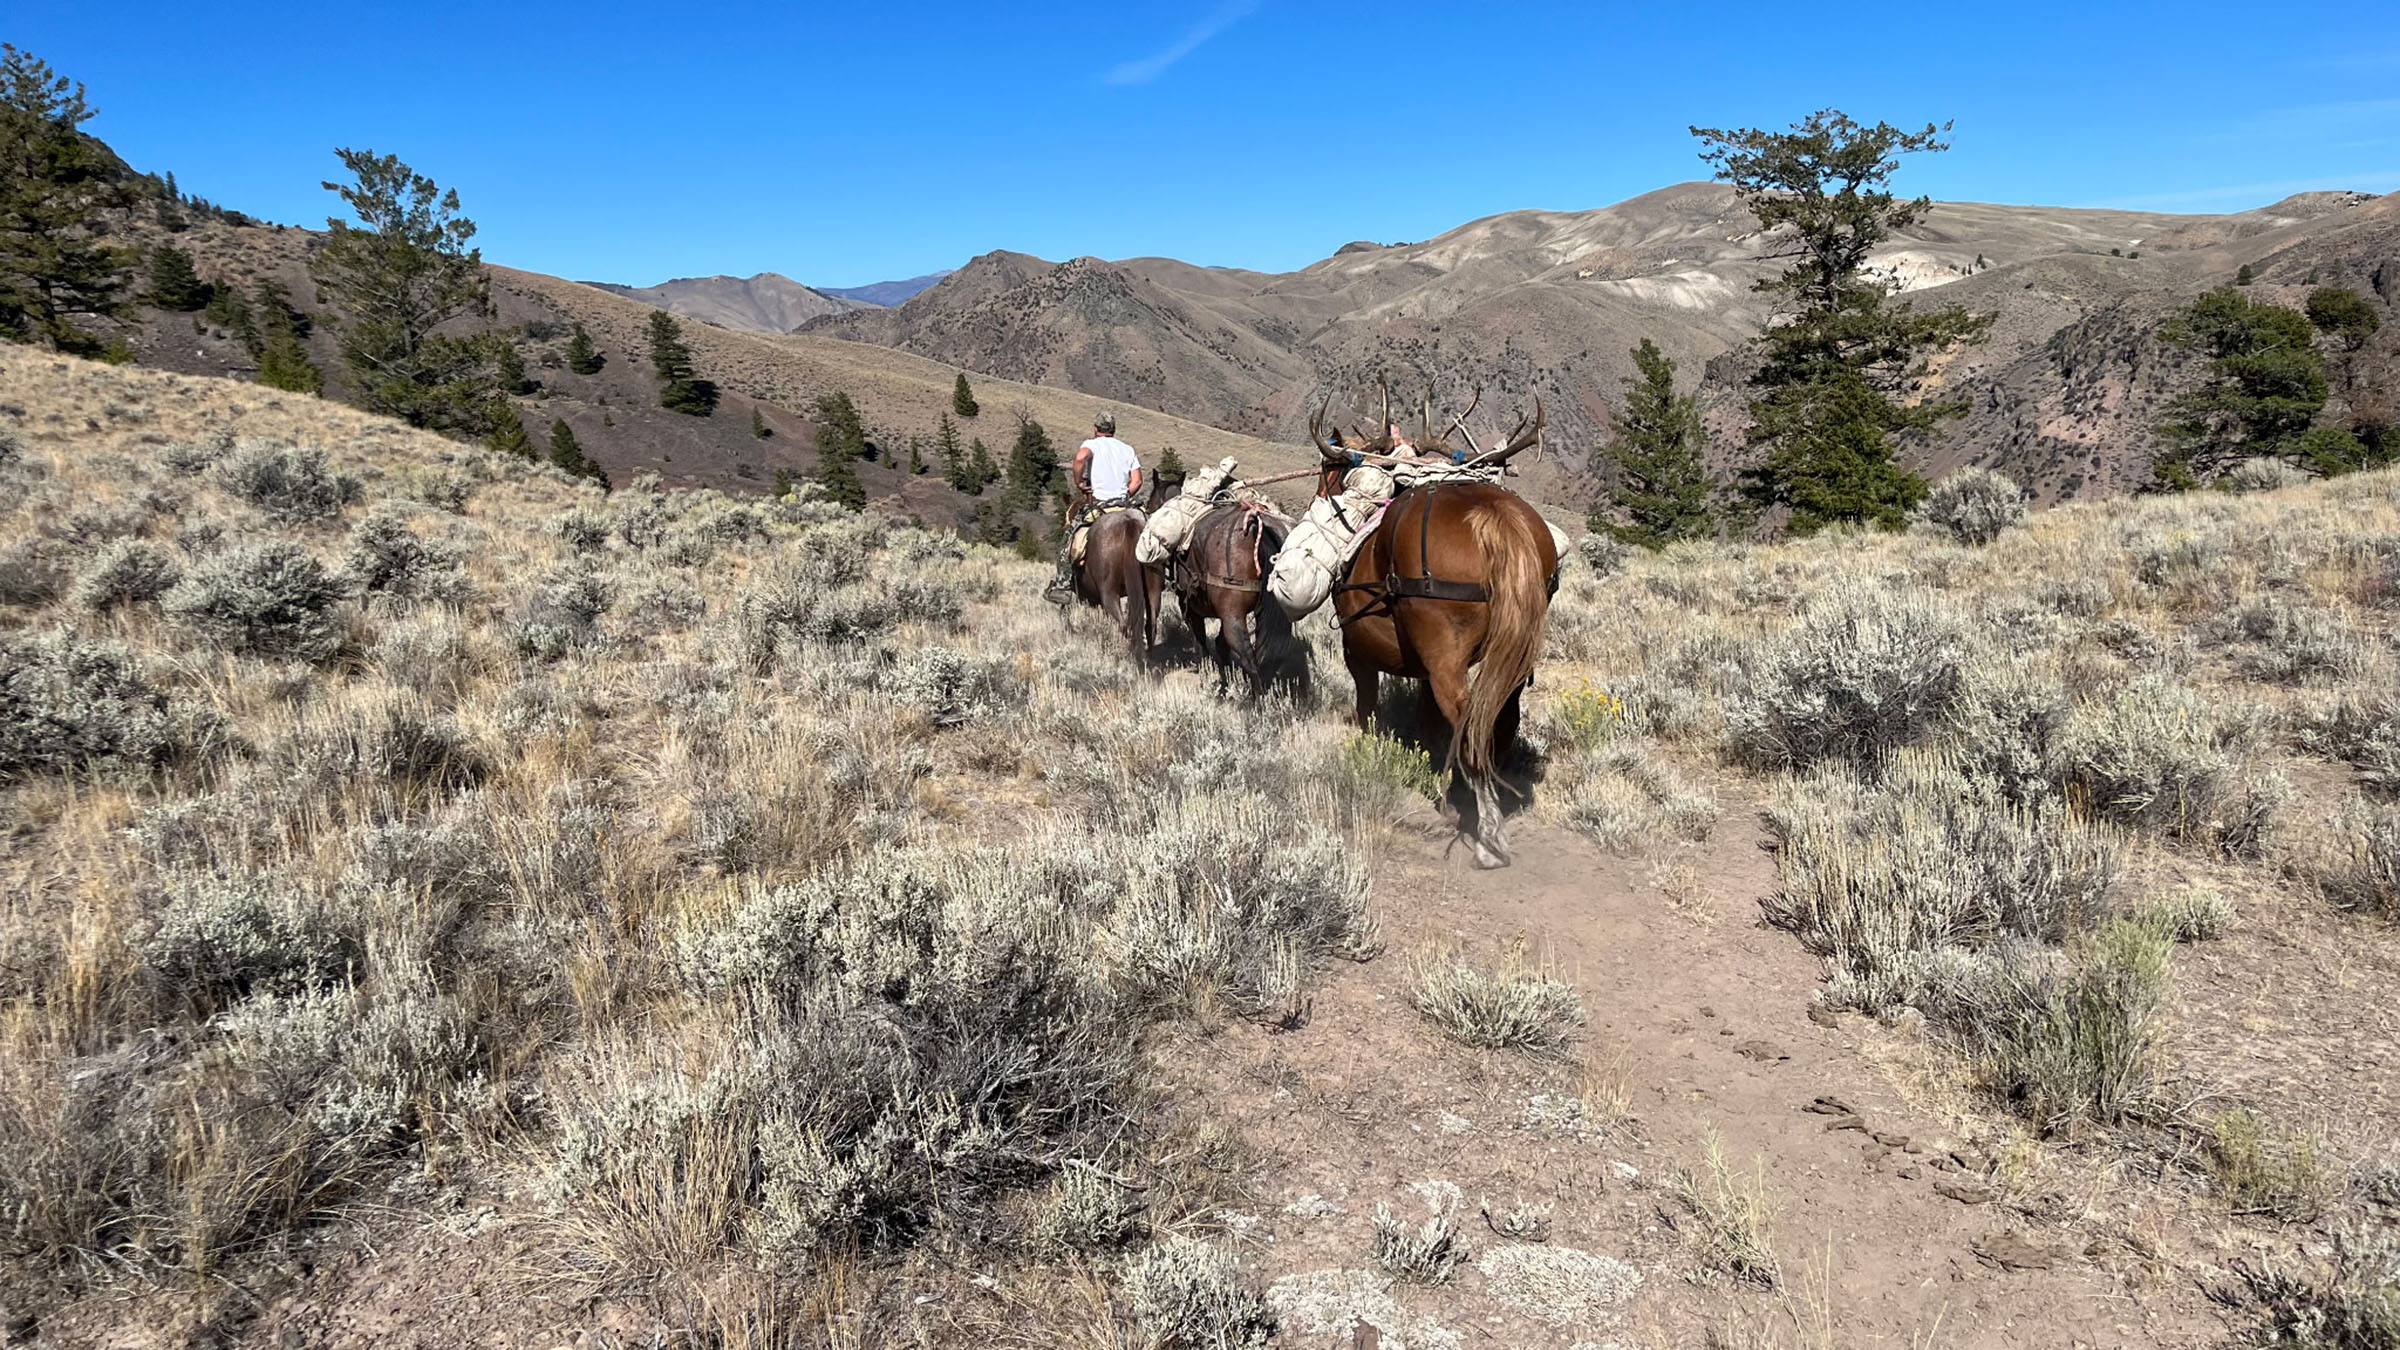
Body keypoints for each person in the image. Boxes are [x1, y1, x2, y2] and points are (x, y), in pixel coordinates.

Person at [1049, 412, 1144, 597]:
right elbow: (1137, 480)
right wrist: (1124, 495)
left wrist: (1079, 482)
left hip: (1099, 506)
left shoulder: (1092, 444)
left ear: (1095, 429)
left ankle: (1063, 585)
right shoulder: (1127, 449)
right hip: (1123, 506)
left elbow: (1080, 458)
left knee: (1069, 538)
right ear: (1114, 430)